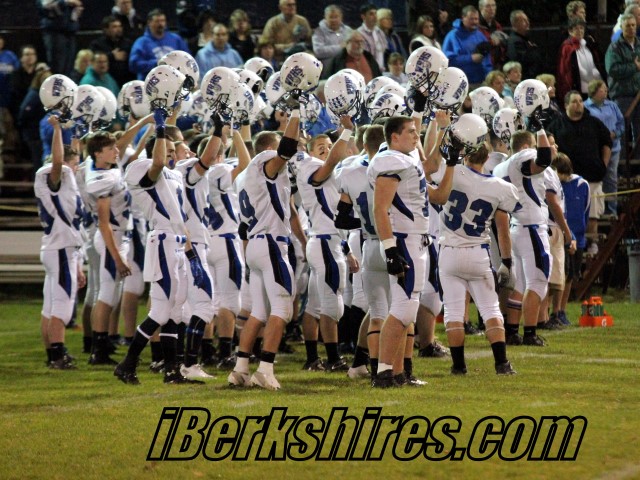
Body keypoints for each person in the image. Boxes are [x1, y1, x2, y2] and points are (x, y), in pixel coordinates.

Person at [115, 108, 208, 385]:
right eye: (165, 149)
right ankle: (127, 364)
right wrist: (157, 128)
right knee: (160, 311)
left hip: (178, 243)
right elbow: (155, 164)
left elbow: (179, 217)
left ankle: (171, 371)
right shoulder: (141, 168)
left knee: (176, 312)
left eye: (171, 150)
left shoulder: (175, 176)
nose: (169, 154)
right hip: (163, 242)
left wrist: (192, 254)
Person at [368, 99, 455, 388]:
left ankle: (397, 372)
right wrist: (390, 249)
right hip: (403, 240)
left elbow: (436, 184)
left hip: (416, 239)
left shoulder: (406, 162)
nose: (417, 135)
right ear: (394, 137)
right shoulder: (390, 160)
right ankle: (383, 373)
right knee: (403, 309)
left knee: (407, 310)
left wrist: (449, 151)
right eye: (411, 132)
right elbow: (380, 208)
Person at [227, 104, 303, 391]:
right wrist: (295, 113)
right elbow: (287, 148)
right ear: (270, 149)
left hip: (255, 245)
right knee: (282, 308)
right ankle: (265, 368)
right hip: (271, 243)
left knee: (259, 311)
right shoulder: (266, 161)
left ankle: (240, 369)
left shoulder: (244, 176)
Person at [438, 142, 519, 375]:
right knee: (491, 309)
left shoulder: (453, 172)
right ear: (486, 158)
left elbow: (433, 169)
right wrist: (507, 261)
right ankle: (502, 364)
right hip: (478, 252)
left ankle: (458, 366)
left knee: (453, 312)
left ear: (465, 155)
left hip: (449, 252)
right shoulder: (500, 187)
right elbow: (503, 230)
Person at [294, 118, 356, 372]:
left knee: (315, 305)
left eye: (329, 145)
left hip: (327, 240)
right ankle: (333, 358)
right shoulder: (312, 167)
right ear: (310, 152)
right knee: (332, 303)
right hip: (323, 242)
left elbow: (333, 216)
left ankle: (312, 358)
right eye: (320, 146)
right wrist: (347, 132)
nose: (326, 149)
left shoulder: (329, 171)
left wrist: (347, 250)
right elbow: (331, 162)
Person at [493, 129, 553, 347]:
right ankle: (529, 333)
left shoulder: (500, 167)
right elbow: (544, 159)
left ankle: (511, 331)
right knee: (538, 281)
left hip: (516, 226)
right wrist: (541, 129)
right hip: (531, 227)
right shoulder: (524, 156)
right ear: (527, 146)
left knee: (520, 284)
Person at [34, 115, 85, 369]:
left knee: (50, 306)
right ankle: (58, 355)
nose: (77, 169)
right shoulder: (54, 176)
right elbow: (58, 162)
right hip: (61, 249)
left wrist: (76, 132)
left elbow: (67, 158)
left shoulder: (63, 185)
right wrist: (56, 129)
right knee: (62, 307)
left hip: (59, 248)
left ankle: (51, 354)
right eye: (74, 164)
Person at [85, 131, 132, 365]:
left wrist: (145, 122)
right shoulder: (101, 179)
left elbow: (122, 143)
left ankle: (101, 345)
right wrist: (118, 258)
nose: (116, 151)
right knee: (105, 295)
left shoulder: (108, 168)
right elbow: (104, 224)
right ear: (97, 154)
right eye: (110, 149)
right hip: (110, 238)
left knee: (111, 295)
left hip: (118, 237)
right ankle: (98, 350)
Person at [547, 90, 612, 240]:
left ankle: (593, 244)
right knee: (568, 214)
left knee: (593, 215)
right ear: (566, 105)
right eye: (574, 101)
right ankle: (569, 243)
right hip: (565, 179)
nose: (579, 104)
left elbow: (607, 143)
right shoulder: (556, 125)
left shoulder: (594, 123)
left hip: (593, 176)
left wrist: (604, 164)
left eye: (581, 101)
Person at [555, 152, 589, 324]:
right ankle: (554, 311)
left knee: (570, 276)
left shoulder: (582, 184)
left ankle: (562, 310)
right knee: (561, 274)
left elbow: (586, 209)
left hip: (578, 236)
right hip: (563, 235)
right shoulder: (555, 186)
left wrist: (579, 233)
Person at [584, 80, 625, 217]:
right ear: (594, 91)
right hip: (594, 149)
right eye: (602, 90)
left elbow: (621, 122)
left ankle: (612, 210)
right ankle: (596, 210)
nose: (606, 92)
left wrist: (616, 133)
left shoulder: (612, 105)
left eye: (606, 89)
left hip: (613, 147)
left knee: (611, 178)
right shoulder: (585, 107)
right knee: (595, 179)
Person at [605, 12, 640, 146]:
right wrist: (634, 67)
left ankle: (637, 157)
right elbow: (612, 69)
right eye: (628, 26)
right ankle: (622, 158)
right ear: (622, 28)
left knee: (639, 132)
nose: (631, 28)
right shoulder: (614, 47)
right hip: (622, 95)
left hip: (638, 94)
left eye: (633, 25)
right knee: (622, 131)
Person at [129, 9, 189, 81]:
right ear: (149, 23)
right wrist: (156, 63)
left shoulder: (176, 39)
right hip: (151, 84)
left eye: (162, 21)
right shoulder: (141, 42)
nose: (161, 24)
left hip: (175, 82)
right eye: (157, 21)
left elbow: (187, 59)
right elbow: (134, 65)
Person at [442, 5, 493, 87]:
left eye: (476, 19)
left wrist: (489, 75)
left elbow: (487, 59)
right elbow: (447, 60)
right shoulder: (452, 36)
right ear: (463, 18)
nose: (474, 22)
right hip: (460, 84)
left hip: (481, 82)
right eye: (471, 19)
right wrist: (470, 58)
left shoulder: (480, 35)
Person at [556, 18, 604, 101]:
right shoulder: (566, 47)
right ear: (570, 31)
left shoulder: (588, 45)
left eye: (581, 28)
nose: (580, 31)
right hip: (578, 90)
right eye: (576, 28)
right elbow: (563, 71)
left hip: (594, 88)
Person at [37, 0, 83, 75]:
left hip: (70, 32)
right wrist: (66, 2)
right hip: (55, 32)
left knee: (69, 67)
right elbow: (46, 5)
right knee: (57, 67)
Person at [89, 16, 133, 87]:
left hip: (126, 81)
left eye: (120, 26)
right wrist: (112, 56)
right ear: (106, 29)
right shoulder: (97, 44)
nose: (118, 29)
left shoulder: (128, 43)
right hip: (105, 82)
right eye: (114, 27)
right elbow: (93, 60)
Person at [506, 10, 543, 80]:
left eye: (527, 20)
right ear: (515, 24)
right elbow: (522, 63)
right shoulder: (515, 41)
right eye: (523, 21)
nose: (527, 23)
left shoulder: (524, 39)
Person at [358, 3, 387, 72]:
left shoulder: (380, 32)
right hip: (368, 70)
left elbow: (384, 49)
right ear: (363, 17)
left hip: (381, 70)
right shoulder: (359, 34)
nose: (375, 16)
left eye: (375, 13)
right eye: (371, 14)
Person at [479, 0, 507, 70]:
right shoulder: (476, 26)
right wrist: (492, 42)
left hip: (497, 66)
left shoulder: (497, 25)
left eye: (493, 5)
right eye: (488, 6)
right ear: (481, 8)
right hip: (482, 66)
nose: (491, 8)